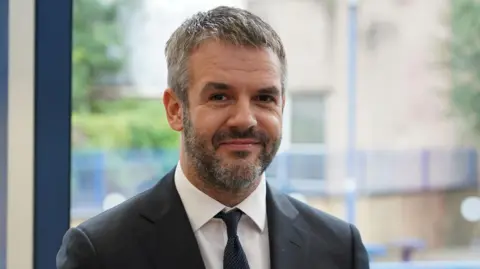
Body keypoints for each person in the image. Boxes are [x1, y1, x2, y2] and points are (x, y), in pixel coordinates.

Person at [57, 6, 370, 269]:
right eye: (220, 96)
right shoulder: (101, 252)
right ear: (175, 109)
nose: (245, 119)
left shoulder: (339, 249)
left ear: (282, 106)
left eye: (264, 98)